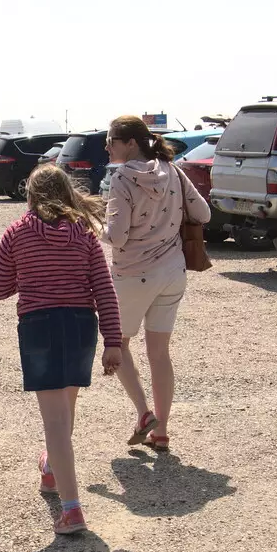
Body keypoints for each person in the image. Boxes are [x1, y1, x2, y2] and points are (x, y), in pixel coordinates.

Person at [0, 165, 122, 535]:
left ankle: (72, 509)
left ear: (30, 196)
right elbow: (105, 291)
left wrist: (30, 275)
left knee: (56, 422)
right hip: (81, 325)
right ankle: (50, 471)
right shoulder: (85, 235)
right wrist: (113, 341)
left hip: (40, 327)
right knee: (66, 410)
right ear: (67, 194)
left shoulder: (16, 233)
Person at [101, 114, 212, 455]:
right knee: (160, 353)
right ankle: (161, 431)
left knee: (117, 344)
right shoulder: (174, 170)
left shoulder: (122, 178)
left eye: (111, 141)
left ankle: (143, 412)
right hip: (172, 271)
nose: (106, 147)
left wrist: (99, 226)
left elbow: (117, 236)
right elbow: (204, 214)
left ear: (130, 143)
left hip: (133, 274)